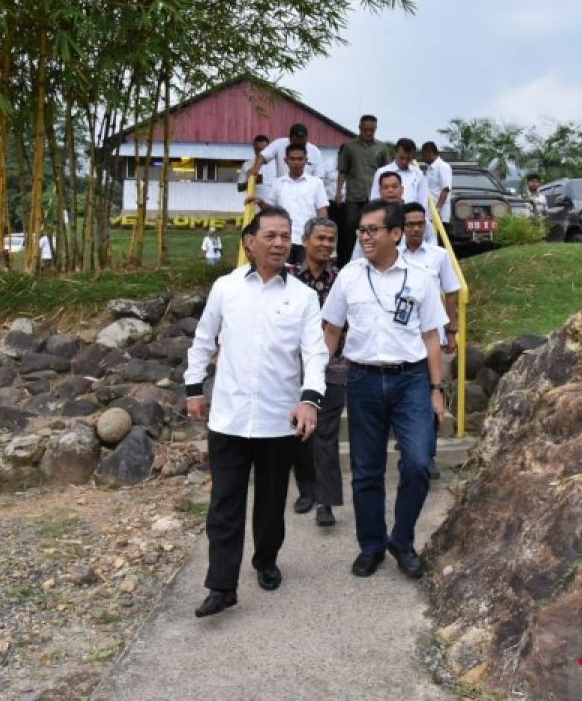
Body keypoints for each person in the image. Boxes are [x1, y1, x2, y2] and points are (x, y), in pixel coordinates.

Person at [183, 206, 327, 617]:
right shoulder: (225, 288)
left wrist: (309, 399)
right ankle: (221, 585)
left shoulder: (302, 296)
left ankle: (266, 560)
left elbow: (315, 354)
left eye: (286, 236)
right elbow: (203, 340)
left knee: (270, 503)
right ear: (250, 242)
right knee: (224, 504)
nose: (280, 243)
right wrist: (194, 389)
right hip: (228, 418)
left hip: (277, 420)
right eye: (271, 236)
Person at [321, 200, 447, 580]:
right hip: (361, 379)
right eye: (361, 230)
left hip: (410, 379)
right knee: (366, 470)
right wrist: (314, 384)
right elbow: (331, 331)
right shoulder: (349, 276)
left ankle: (402, 539)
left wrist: (436, 389)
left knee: (418, 462)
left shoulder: (421, 277)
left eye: (372, 230)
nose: (364, 236)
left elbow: (431, 338)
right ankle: (372, 546)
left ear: (395, 234)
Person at [287, 217, 345, 527]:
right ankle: (306, 490)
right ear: (306, 240)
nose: (325, 244)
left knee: (325, 433)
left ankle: (326, 501)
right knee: (299, 432)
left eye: (330, 239)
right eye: (320, 238)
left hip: (333, 368)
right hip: (292, 368)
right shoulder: (289, 277)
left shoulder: (343, 278)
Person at [399, 202, 462, 480]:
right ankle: (407, 450)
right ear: (401, 228)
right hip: (399, 338)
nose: (415, 228)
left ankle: (429, 454)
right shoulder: (393, 256)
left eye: (419, 223)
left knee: (430, 393)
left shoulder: (438, 256)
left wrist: (452, 330)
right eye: (409, 224)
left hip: (429, 337)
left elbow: (451, 292)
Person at [253, 143, 328, 265]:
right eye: (292, 159)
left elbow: (322, 212)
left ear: (306, 160)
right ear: (285, 161)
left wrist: (322, 236)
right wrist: (261, 203)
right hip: (283, 240)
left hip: (307, 240)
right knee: (283, 275)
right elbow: (272, 211)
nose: (296, 162)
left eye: (300, 159)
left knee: (304, 276)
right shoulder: (278, 183)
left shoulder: (316, 183)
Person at [336, 114, 391, 267]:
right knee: (349, 230)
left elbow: (387, 172)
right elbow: (342, 171)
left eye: (371, 130)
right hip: (354, 197)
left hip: (374, 198)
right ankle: (346, 264)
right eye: (365, 130)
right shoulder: (349, 147)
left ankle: (373, 260)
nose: (368, 133)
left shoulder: (382, 148)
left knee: (375, 229)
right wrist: (339, 191)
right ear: (360, 128)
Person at [370, 139, 435, 243]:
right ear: (395, 153)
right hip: (386, 220)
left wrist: (423, 219)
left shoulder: (418, 174)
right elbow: (374, 199)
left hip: (411, 221)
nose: (404, 161)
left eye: (408, 158)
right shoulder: (382, 172)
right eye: (401, 158)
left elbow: (423, 201)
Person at [248, 123, 331, 192]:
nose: (298, 146)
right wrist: (256, 168)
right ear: (290, 138)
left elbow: (319, 177)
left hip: (306, 193)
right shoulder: (279, 144)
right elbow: (263, 155)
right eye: (295, 143)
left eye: (302, 143)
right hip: (283, 190)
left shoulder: (315, 151)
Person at [421, 142, 453, 226]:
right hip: (430, 213)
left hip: (439, 214)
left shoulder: (442, 166)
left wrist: (438, 209)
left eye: (424, 155)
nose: (423, 158)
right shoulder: (429, 168)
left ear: (430, 153)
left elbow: (445, 189)